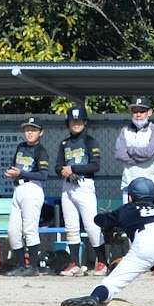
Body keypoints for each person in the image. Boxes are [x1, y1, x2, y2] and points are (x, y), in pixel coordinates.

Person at [61, 177, 154, 306]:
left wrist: (108, 218)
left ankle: (96, 297)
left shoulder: (125, 209)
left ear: (130, 197)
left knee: (111, 284)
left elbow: (99, 220)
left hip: (146, 245)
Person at [54, 104, 109, 277]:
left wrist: (73, 169)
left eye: (79, 120)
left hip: (85, 185)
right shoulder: (64, 143)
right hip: (68, 186)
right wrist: (63, 171)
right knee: (71, 227)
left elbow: (95, 165)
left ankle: (102, 262)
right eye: (72, 120)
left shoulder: (90, 141)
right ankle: (75, 264)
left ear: (85, 122)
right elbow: (57, 166)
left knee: (92, 225)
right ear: (68, 123)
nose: (76, 123)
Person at [114, 96, 154, 276]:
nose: (138, 114)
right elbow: (118, 154)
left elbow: (150, 152)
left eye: (142, 111)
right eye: (135, 111)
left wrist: (131, 151)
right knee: (131, 224)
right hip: (129, 183)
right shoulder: (124, 130)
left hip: (150, 186)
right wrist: (138, 155)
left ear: (149, 112)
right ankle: (137, 264)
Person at [4, 117, 50, 277]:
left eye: (34, 129)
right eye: (27, 129)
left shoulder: (40, 150)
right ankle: (22, 265)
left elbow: (44, 174)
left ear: (41, 132)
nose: (29, 132)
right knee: (13, 230)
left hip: (32, 188)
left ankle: (33, 267)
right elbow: (14, 165)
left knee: (29, 229)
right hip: (18, 189)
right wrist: (11, 172)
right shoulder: (21, 146)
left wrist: (21, 173)